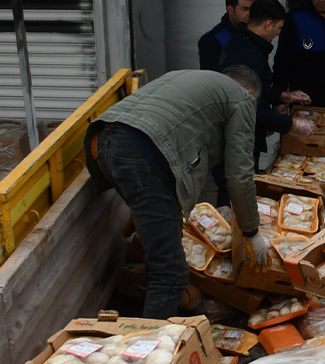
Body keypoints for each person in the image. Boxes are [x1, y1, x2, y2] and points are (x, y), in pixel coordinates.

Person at [84, 67, 266, 319]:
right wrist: (251, 231)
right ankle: (149, 352)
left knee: (161, 253)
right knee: (171, 273)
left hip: (103, 142)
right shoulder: (242, 99)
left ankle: (149, 313)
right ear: (249, 93)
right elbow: (239, 175)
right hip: (143, 154)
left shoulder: (189, 77)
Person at [220, 0, 316, 151]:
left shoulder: (242, 42)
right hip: (238, 143)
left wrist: (282, 95)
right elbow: (253, 110)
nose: (278, 34)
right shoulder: (249, 57)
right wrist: (293, 124)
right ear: (268, 24)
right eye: (279, 28)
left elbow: (254, 91)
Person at [198, 0, 255, 72]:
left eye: (252, 9)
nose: (249, 14)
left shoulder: (252, 34)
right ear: (230, 10)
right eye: (245, 9)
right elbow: (210, 77)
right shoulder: (212, 39)